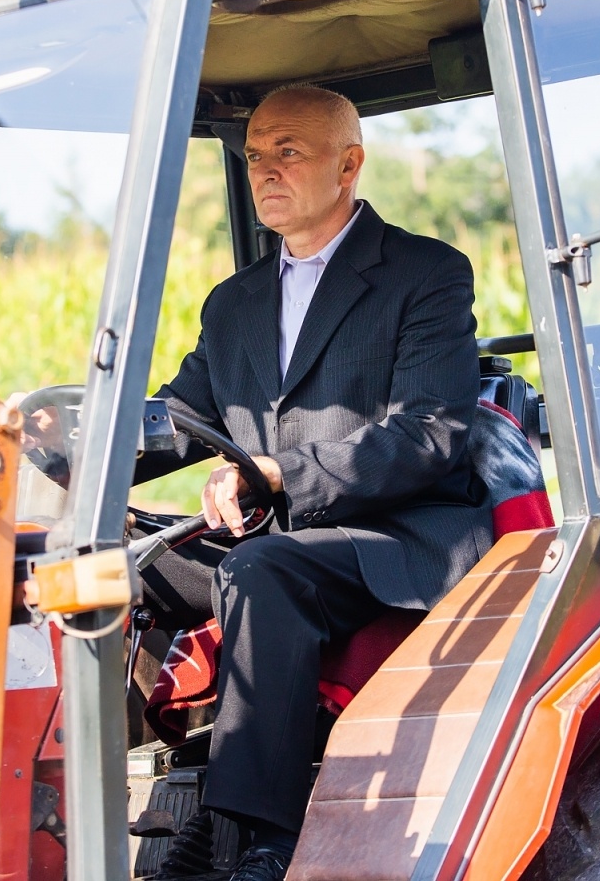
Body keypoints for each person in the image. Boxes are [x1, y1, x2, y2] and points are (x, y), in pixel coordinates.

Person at [135, 85, 492, 881]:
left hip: (398, 540)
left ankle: (257, 838)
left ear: (349, 164)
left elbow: (432, 434)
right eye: (256, 155)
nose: (266, 170)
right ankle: (101, 795)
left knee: (260, 569)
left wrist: (276, 473)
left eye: (288, 152)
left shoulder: (424, 274)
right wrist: (68, 445)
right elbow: (183, 417)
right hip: (281, 540)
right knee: (113, 559)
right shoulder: (234, 305)